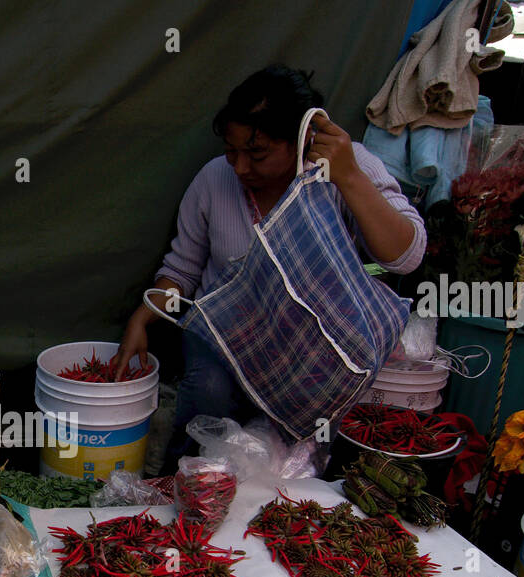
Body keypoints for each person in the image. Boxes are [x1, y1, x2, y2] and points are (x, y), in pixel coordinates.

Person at [113, 65, 425, 470]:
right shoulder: (213, 180)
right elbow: (183, 269)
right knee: (209, 389)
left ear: (301, 141)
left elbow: (406, 255)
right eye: (232, 151)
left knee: (304, 438)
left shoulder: (343, 168)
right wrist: (143, 318)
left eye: (257, 154)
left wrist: (348, 176)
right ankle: (189, 482)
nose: (240, 167)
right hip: (226, 337)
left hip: (310, 343)